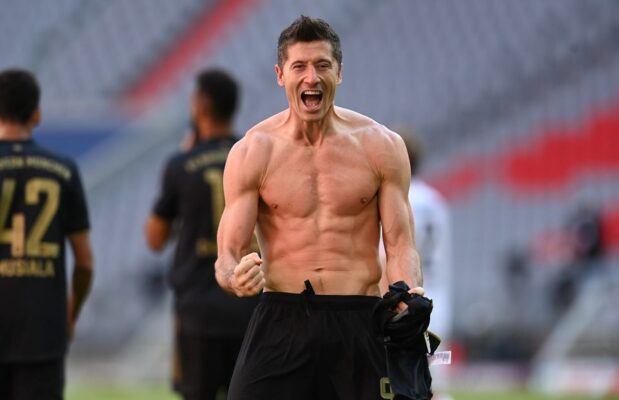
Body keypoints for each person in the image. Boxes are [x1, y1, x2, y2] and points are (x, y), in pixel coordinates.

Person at [215, 16, 425, 400]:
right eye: (299, 66)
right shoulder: (252, 151)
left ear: (339, 73)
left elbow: (399, 245)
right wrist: (234, 277)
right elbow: (227, 254)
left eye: (322, 65)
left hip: (360, 318)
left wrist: (405, 295)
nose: (311, 77)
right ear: (280, 75)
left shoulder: (381, 146)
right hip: (283, 317)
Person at [145, 69, 258, 400]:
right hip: (250, 306)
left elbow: (154, 239)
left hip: (198, 311)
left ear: (200, 106)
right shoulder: (254, 157)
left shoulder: (182, 164)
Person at [0, 68, 93, 399]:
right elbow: (84, 262)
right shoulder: (63, 169)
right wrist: (70, 315)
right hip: (42, 329)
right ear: (36, 114)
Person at [402, 132, 453, 399]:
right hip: (439, 298)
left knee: (405, 381)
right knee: (434, 379)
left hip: (412, 298)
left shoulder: (404, 198)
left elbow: (404, 248)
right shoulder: (435, 199)